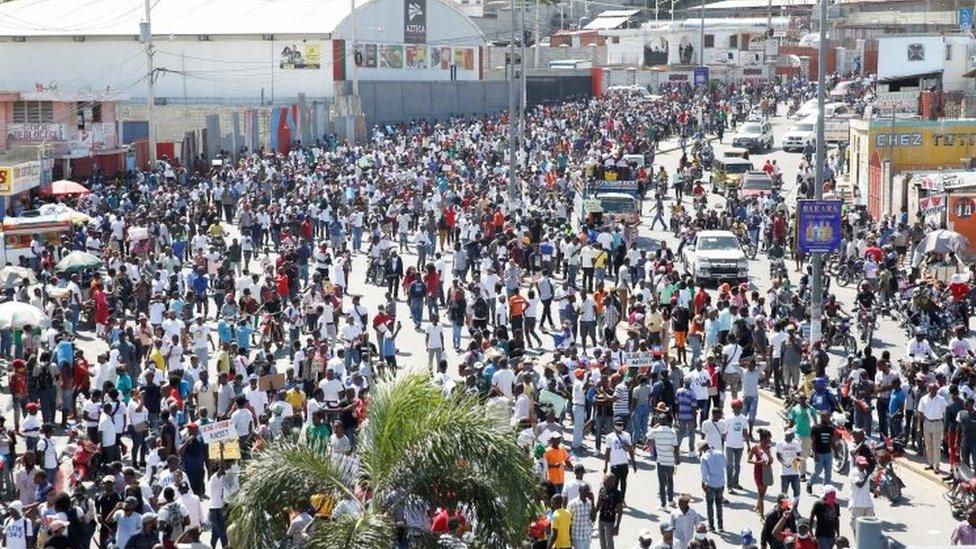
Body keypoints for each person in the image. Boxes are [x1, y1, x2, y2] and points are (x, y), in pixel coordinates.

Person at [918, 382, 948, 474]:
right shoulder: (923, 399)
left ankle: (936, 466)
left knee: (936, 446)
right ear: (928, 389)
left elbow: (944, 413)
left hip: (937, 423)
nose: (934, 391)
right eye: (933, 389)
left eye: (936, 389)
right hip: (927, 423)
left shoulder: (941, 399)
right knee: (928, 445)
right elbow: (920, 413)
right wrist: (919, 426)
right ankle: (930, 463)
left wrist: (945, 427)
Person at [603, 417, 636, 499]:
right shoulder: (609, 437)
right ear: (614, 425)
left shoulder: (627, 435)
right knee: (614, 483)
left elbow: (631, 450)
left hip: (624, 464)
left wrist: (633, 463)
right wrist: (606, 465)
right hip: (614, 464)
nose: (620, 426)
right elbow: (607, 451)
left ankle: (622, 499)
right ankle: (615, 499)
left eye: (621, 425)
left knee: (623, 483)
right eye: (618, 425)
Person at [699, 441, 726, 533]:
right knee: (719, 505)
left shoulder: (704, 457)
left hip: (711, 484)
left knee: (710, 505)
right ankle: (720, 526)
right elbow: (725, 464)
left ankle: (711, 526)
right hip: (721, 483)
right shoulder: (719, 453)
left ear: (702, 449)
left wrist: (703, 483)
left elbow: (704, 473)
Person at [749, 428, 775, 517]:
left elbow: (770, 457)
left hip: (767, 470)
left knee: (763, 493)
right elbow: (748, 460)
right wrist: (758, 462)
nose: (769, 441)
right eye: (767, 439)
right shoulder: (755, 448)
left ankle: (757, 507)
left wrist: (771, 459)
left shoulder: (768, 447)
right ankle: (762, 513)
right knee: (761, 494)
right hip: (759, 471)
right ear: (762, 439)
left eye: (769, 439)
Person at [847, 456, 874, 537]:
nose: (863, 466)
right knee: (857, 528)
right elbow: (860, 484)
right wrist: (867, 475)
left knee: (869, 527)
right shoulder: (853, 473)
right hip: (857, 505)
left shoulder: (866, 472)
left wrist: (875, 489)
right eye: (861, 464)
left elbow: (867, 486)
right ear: (857, 463)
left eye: (864, 464)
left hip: (868, 504)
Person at [595, 473, 624, 549]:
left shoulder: (617, 494)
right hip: (601, 519)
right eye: (604, 479)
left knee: (609, 542)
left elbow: (620, 511)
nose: (603, 481)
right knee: (602, 541)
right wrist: (594, 514)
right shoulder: (602, 490)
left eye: (605, 480)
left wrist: (617, 526)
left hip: (610, 522)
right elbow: (598, 504)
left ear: (612, 482)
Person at [775, 429, 803, 498]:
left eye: (793, 435)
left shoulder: (796, 443)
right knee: (784, 494)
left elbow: (799, 455)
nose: (793, 437)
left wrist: (795, 463)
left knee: (797, 493)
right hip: (784, 473)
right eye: (791, 435)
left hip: (795, 473)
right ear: (787, 436)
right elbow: (778, 457)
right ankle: (784, 507)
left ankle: (795, 508)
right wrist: (785, 464)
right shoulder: (780, 443)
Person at [567, 484, 595, 549]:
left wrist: (593, 501)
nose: (587, 492)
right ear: (579, 491)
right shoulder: (572, 504)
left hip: (587, 536)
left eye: (588, 491)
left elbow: (593, 518)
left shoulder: (590, 503)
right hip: (577, 536)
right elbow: (568, 521)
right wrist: (569, 536)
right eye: (585, 490)